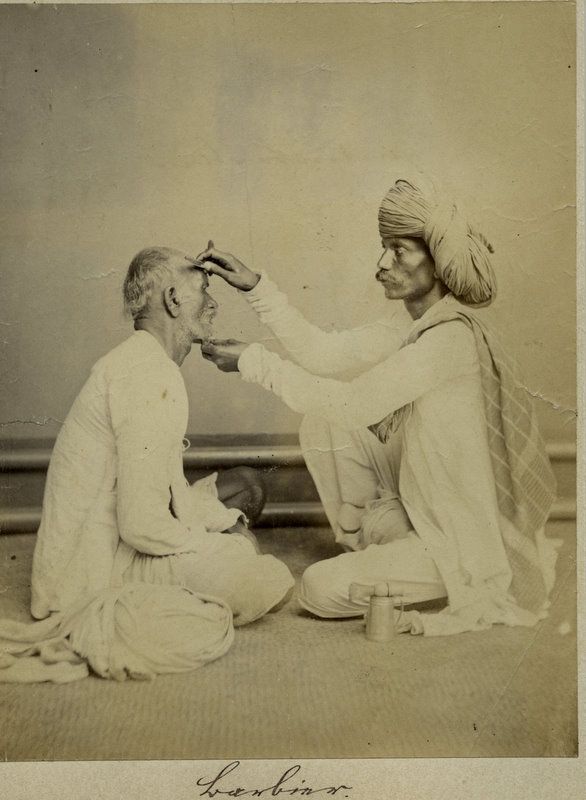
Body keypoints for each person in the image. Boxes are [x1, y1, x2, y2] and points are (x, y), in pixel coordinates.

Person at [197, 174, 558, 636]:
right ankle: (393, 544)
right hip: (422, 509)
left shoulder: (448, 340)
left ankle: (418, 564)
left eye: (399, 250)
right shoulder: (411, 326)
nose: (383, 263)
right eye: (384, 247)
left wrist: (252, 360)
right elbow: (322, 354)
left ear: (438, 262)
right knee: (322, 423)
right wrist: (255, 287)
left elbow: (352, 405)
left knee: (317, 589)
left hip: (457, 539)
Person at [31, 247, 294, 628]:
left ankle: (220, 549)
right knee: (269, 580)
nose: (213, 304)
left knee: (247, 486)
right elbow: (140, 525)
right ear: (173, 299)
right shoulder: (146, 372)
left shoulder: (143, 360)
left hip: (115, 536)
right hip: (94, 572)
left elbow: (161, 490)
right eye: (203, 289)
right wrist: (221, 540)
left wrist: (219, 525)